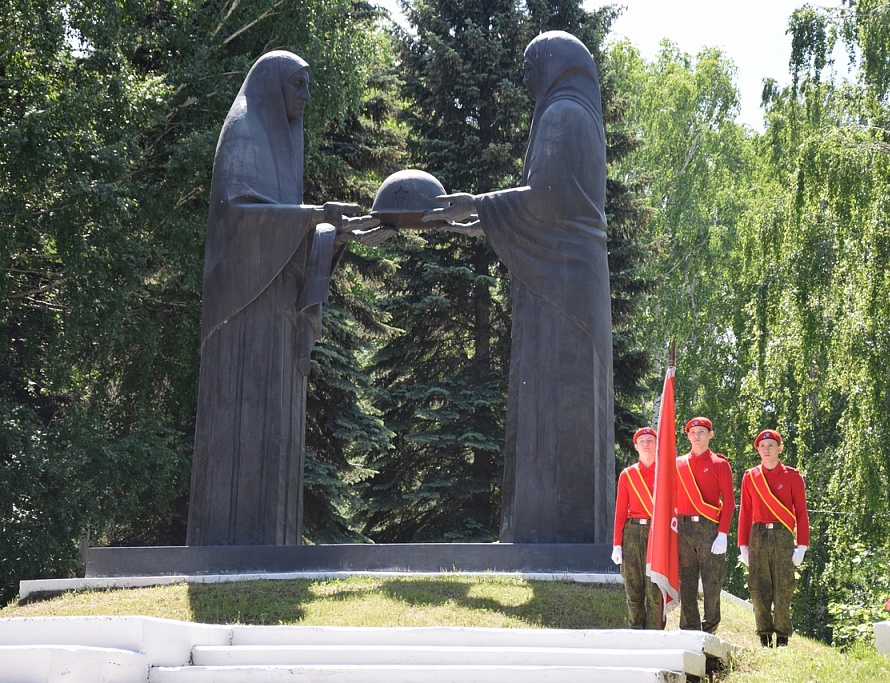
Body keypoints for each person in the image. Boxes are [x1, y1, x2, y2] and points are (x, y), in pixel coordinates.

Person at [187, 50, 389, 546]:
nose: (305, 95)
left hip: (275, 311)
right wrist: (315, 215)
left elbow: (289, 228)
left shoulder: (281, 142)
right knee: (243, 423)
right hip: (242, 314)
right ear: (274, 85)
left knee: (278, 423)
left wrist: (332, 230)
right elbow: (239, 214)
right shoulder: (244, 132)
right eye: (298, 84)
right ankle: (229, 540)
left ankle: (275, 541)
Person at [424, 31, 614, 543]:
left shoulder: (564, 114)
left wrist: (479, 204)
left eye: (531, 66)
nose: (525, 79)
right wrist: (484, 221)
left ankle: (552, 532)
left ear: (553, 64)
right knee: (546, 397)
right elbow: (550, 204)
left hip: (564, 286)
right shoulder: (575, 113)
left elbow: (549, 200)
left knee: (556, 398)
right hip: (564, 279)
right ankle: (543, 529)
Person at [738, 429, 810, 648]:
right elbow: (745, 512)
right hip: (758, 535)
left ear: (780, 448)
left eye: (771, 445)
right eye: (762, 446)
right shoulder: (750, 476)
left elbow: (801, 513)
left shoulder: (792, 476)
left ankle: (782, 636)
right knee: (758, 587)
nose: (766, 449)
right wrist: (743, 545)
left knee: (783, 587)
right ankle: (764, 635)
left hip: (782, 535)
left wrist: (802, 545)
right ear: (758, 450)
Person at [676, 416, 735, 633]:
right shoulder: (679, 464)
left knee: (712, 580)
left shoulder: (720, 464)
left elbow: (729, 502)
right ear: (688, 435)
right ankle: (688, 627)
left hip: (709, 529)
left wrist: (723, 534)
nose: (697, 436)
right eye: (693, 432)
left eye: (702, 432)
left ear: (711, 435)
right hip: (683, 528)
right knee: (687, 580)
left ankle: (710, 628)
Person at [611, 427, 663, 629]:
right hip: (632, 533)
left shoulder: (665, 474)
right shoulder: (628, 475)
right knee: (633, 587)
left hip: (656, 533)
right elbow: (620, 512)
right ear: (636, 446)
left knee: (655, 589)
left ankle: (655, 634)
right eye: (642, 441)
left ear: (657, 445)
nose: (646, 444)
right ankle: (636, 632)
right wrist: (617, 544)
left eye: (650, 440)